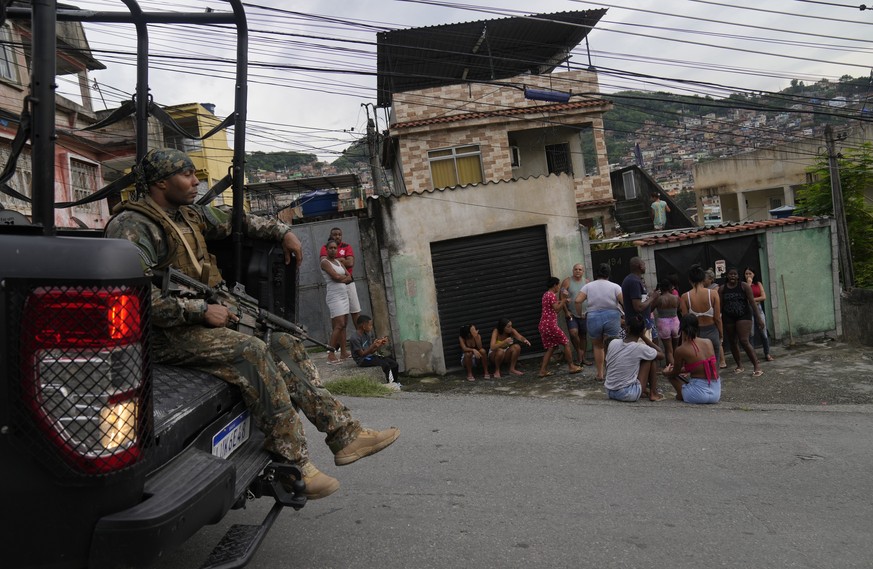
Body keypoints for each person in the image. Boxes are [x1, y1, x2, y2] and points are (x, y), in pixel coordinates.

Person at [104, 148, 399, 500]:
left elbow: (237, 220)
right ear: (161, 182)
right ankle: (294, 463)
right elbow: (132, 299)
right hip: (164, 335)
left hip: (200, 320)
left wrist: (281, 231)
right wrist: (200, 311)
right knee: (253, 351)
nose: (196, 180)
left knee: (285, 342)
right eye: (187, 175)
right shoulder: (131, 228)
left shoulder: (186, 215)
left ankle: (345, 435)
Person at [573, 263, 624, 382]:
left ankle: (600, 374)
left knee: (598, 346)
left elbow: (577, 301)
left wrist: (580, 314)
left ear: (596, 273)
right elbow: (623, 302)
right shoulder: (615, 286)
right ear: (608, 274)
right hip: (612, 316)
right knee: (611, 346)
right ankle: (612, 374)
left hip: (593, 317)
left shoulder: (588, 286)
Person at [604, 314, 665, 402]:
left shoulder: (613, 342)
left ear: (626, 328)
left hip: (609, 391)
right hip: (626, 394)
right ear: (642, 331)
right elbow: (661, 355)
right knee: (651, 358)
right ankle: (653, 393)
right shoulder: (639, 348)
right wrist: (643, 336)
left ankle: (642, 390)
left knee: (645, 356)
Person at [663, 314, 721, 404]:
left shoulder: (681, 349)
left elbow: (675, 372)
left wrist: (666, 372)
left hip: (698, 396)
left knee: (670, 375)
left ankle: (681, 395)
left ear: (681, 329)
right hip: (716, 394)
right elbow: (700, 364)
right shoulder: (708, 342)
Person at [719, 266, 765, 377]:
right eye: (731, 274)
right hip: (728, 317)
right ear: (727, 276)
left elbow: (752, 303)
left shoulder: (744, 286)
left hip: (743, 315)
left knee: (744, 340)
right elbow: (720, 306)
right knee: (732, 342)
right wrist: (718, 320)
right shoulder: (722, 289)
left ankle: (756, 366)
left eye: (735, 274)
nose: (733, 276)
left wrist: (759, 318)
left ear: (738, 276)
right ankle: (739, 365)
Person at [680, 264, 724, 372]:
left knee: (698, 367)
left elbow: (686, 322)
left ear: (690, 280)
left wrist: (684, 340)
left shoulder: (685, 297)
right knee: (714, 366)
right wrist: (721, 334)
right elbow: (717, 318)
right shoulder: (713, 294)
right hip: (712, 332)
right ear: (703, 279)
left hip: (696, 335)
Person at [537, 277, 583, 378]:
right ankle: (571, 366)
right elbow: (557, 309)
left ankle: (542, 371)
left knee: (551, 348)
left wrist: (563, 301)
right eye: (558, 285)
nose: (559, 287)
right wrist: (562, 300)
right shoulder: (552, 295)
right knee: (566, 343)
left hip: (543, 325)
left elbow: (552, 306)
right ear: (554, 285)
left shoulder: (546, 294)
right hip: (550, 325)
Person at [320, 239, 356, 363]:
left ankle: (344, 353)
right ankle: (331, 353)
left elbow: (349, 276)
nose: (333, 250)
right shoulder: (324, 262)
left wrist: (342, 278)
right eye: (331, 248)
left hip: (344, 295)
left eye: (335, 248)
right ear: (326, 249)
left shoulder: (339, 262)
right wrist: (343, 278)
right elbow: (334, 277)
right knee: (339, 324)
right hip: (334, 297)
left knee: (344, 325)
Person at [319, 227, 361, 326]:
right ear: (331, 236)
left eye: (339, 234)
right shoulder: (325, 247)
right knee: (340, 317)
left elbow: (350, 263)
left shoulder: (347, 246)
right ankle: (340, 340)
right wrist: (341, 259)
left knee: (355, 311)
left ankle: (360, 338)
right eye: (335, 234)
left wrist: (339, 261)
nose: (337, 236)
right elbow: (326, 262)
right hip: (336, 285)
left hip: (349, 283)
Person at [349, 315, 400, 386]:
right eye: (370, 325)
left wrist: (378, 345)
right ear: (363, 326)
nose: (371, 327)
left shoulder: (367, 334)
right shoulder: (355, 338)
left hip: (370, 356)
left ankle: (395, 382)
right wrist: (372, 346)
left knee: (394, 364)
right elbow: (361, 354)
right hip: (362, 360)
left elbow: (371, 351)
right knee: (385, 365)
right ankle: (389, 383)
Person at [561, 264, 592, 366]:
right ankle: (579, 353)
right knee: (573, 333)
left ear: (583, 271)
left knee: (583, 335)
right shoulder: (567, 281)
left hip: (584, 314)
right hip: (572, 314)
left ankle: (583, 358)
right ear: (573, 270)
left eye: (580, 269)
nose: (578, 271)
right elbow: (561, 298)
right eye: (576, 269)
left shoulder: (587, 282)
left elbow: (590, 297)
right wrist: (566, 311)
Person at [621, 257, 660, 339]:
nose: (645, 266)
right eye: (644, 264)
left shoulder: (634, 280)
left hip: (642, 325)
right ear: (640, 266)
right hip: (638, 329)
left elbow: (642, 303)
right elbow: (638, 307)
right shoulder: (634, 281)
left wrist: (649, 297)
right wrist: (652, 298)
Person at [744, 266, 775, 362]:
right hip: (748, 310)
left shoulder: (758, 284)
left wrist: (752, 300)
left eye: (750, 273)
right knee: (751, 333)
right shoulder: (743, 285)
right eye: (746, 274)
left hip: (759, 309)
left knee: (763, 331)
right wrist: (748, 284)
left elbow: (763, 297)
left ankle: (767, 353)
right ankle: (754, 357)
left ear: (754, 274)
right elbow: (744, 298)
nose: (748, 275)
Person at [652, 278, 680, 371]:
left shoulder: (659, 299)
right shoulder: (676, 298)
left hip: (663, 323)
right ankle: (675, 367)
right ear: (669, 287)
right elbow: (679, 307)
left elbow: (651, 309)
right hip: (675, 321)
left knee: (669, 350)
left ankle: (672, 369)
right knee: (675, 348)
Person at [703, 268, 727, 369]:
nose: (703, 281)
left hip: (715, 314)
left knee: (717, 340)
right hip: (708, 315)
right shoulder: (705, 288)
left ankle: (722, 360)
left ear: (711, 279)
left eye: (705, 279)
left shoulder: (715, 288)